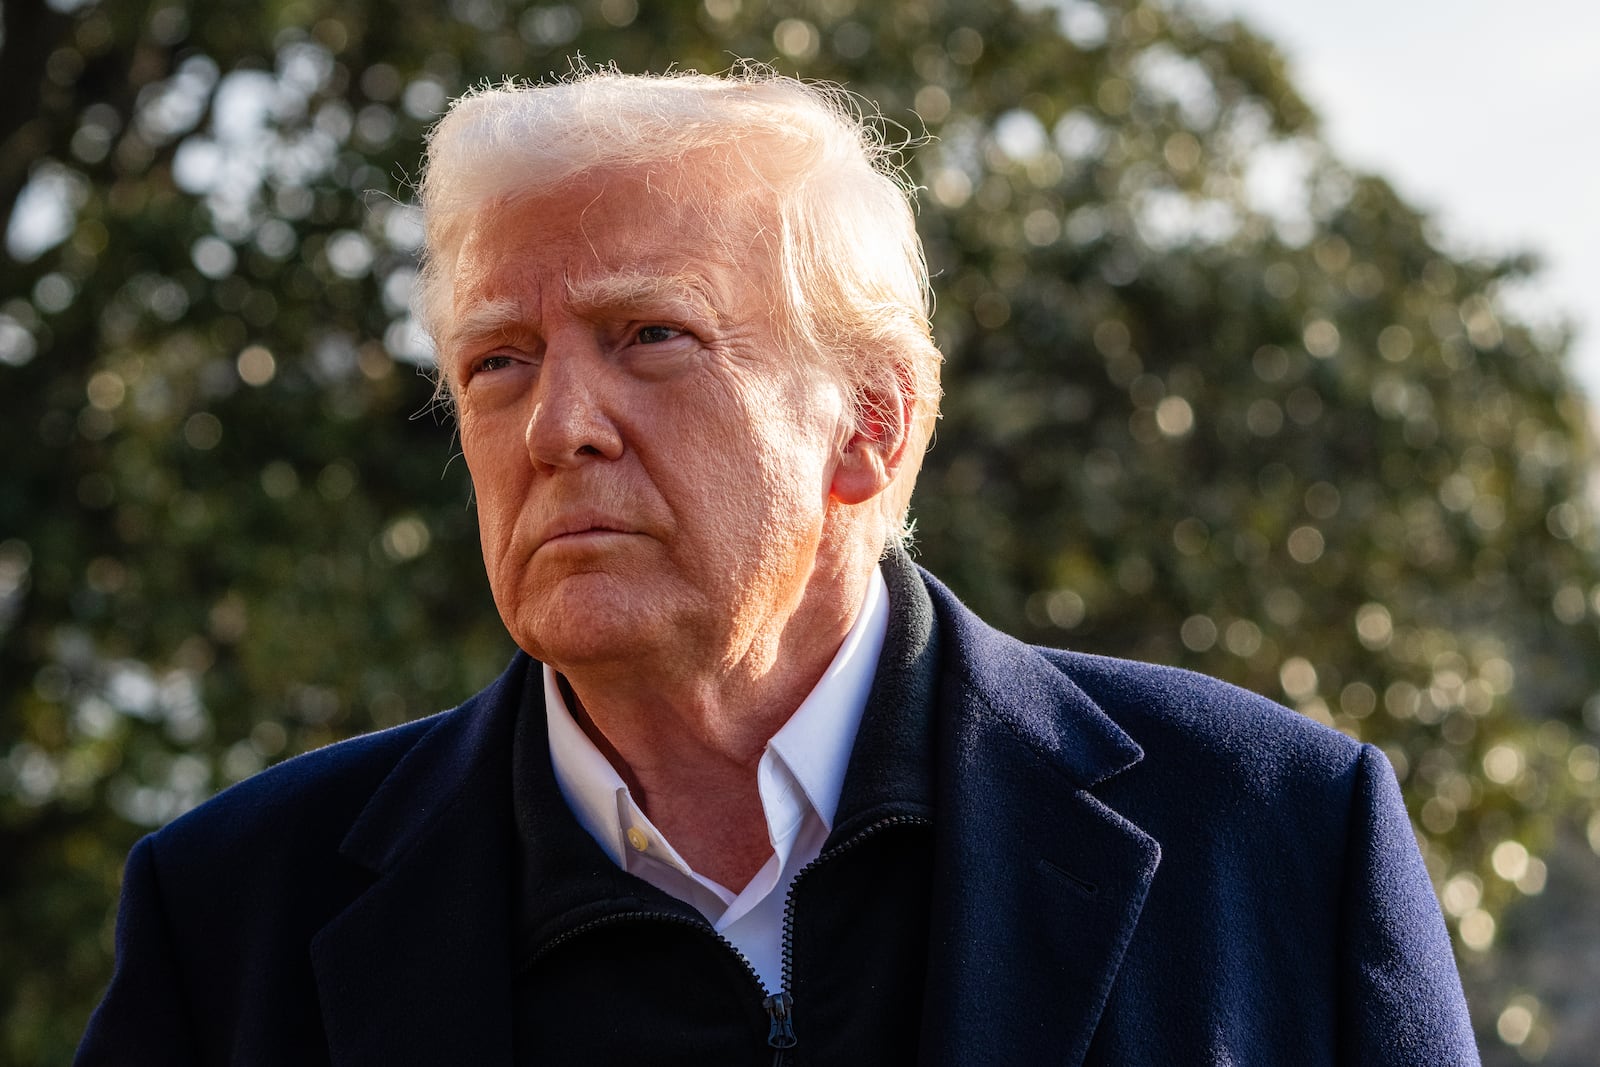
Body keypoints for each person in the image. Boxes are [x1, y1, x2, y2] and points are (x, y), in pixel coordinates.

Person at [77, 67, 1478, 1065]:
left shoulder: (1276, 833)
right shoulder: (234, 916)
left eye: (650, 337)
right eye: (497, 361)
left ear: (871, 427)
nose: (557, 425)